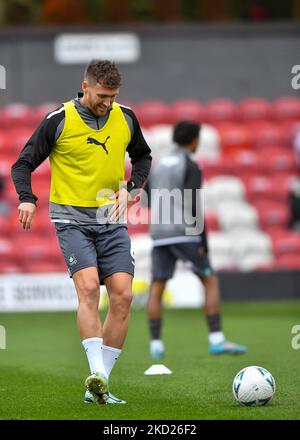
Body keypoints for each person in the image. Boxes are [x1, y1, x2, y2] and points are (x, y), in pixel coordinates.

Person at [11, 59, 152, 404]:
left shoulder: (127, 116)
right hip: (71, 220)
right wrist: (28, 198)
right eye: (103, 95)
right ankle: (99, 377)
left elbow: (143, 156)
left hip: (111, 220)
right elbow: (23, 163)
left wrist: (131, 188)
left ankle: (99, 384)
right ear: (85, 87)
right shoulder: (59, 120)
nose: (108, 103)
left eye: (113, 96)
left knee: (122, 295)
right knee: (88, 289)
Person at [146, 120, 246, 359]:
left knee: (157, 287)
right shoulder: (190, 165)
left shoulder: (158, 165)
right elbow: (193, 203)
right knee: (210, 280)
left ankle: (156, 346)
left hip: (159, 233)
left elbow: (148, 194)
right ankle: (217, 340)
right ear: (193, 140)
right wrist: (203, 240)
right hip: (184, 232)